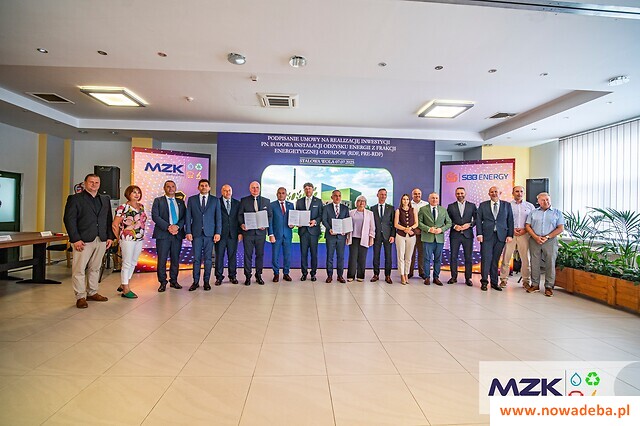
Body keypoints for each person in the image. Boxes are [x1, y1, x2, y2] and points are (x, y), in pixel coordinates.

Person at [63, 173, 114, 308]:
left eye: (97, 182)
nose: (94, 184)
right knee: (79, 269)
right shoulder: (75, 199)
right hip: (83, 240)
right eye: (91, 182)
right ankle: (80, 296)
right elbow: (69, 220)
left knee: (95, 268)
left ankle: (92, 292)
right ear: (85, 183)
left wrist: (110, 236)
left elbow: (108, 219)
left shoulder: (105, 199)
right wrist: (75, 239)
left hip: (101, 238)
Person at [525, 192, 565, 297]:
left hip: (550, 241)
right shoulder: (533, 212)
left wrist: (547, 237)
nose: (545, 202)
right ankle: (535, 285)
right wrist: (536, 237)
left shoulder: (557, 213)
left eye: (547, 199)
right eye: (543, 200)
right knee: (534, 263)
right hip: (535, 240)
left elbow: (560, 228)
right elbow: (528, 226)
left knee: (550, 263)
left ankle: (549, 287)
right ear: (538, 201)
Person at [185, 179, 221, 291]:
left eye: (206, 185)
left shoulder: (215, 200)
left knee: (208, 259)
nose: (204, 187)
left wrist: (218, 232)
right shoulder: (192, 200)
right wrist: (188, 232)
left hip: (209, 234)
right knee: (196, 259)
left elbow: (218, 218)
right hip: (196, 234)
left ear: (209, 188)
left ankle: (206, 282)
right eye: (202, 185)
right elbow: (188, 217)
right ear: (198, 187)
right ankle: (195, 282)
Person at [476, 186, 514, 292]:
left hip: (501, 236)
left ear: (500, 193)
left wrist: (510, 235)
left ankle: (494, 282)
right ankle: (484, 282)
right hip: (486, 236)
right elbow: (478, 220)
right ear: (489, 194)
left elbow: (510, 220)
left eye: (496, 191)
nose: (494, 193)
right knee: (486, 259)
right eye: (492, 192)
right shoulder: (483, 205)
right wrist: (479, 234)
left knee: (495, 260)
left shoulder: (507, 205)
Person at [112, 185, 147, 299]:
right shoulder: (123, 207)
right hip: (127, 238)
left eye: (138, 192)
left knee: (133, 262)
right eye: (134, 192)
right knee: (127, 263)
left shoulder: (141, 207)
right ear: (128, 194)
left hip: (139, 238)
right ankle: (126, 288)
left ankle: (124, 283)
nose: (137, 194)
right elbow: (115, 224)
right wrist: (119, 238)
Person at [151, 180, 186, 292]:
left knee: (175, 259)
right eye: (168, 187)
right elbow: (155, 216)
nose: (171, 188)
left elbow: (184, 217)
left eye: (173, 186)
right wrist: (168, 227)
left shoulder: (180, 202)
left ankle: (174, 281)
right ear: (164, 188)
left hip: (177, 234)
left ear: (175, 188)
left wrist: (177, 227)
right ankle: (162, 282)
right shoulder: (158, 201)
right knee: (162, 259)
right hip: (163, 234)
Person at [499, 186, 535, 288]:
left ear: (524, 193)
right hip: (511, 234)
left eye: (521, 191)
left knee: (526, 259)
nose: (519, 193)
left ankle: (526, 281)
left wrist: (525, 230)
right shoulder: (507, 205)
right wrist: (511, 230)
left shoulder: (530, 206)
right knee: (506, 257)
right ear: (513, 193)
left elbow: (533, 221)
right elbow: (504, 220)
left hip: (524, 234)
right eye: (517, 191)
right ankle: (503, 280)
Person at [238, 181, 272, 285]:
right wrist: (242, 224)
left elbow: (270, 216)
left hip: (260, 234)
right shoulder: (244, 201)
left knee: (260, 255)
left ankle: (258, 275)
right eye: (253, 187)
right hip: (248, 233)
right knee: (248, 255)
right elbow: (240, 215)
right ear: (250, 189)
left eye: (257, 187)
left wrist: (265, 224)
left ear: (260, 189)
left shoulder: (266, 201)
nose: (255, 189)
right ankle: (248, 276)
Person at [417, 192, 452, 286]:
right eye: (432, 198)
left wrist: (441, 229)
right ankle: (427, 277)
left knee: (438, 259)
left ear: (438, 199)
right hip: (427, 238)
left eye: (436, 198)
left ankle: (436, 277)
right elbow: (419, 223)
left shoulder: (443, 210)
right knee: (426, 258)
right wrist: (429, 229)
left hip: (439, 239)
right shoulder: (423, 209)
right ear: (429, 199)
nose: (434, 200)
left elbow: (449, 223)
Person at [446, 187, 477, 286]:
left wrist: (470, 225)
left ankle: (468, 278)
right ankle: (453, 277)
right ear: (455, 195)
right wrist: (454, 226)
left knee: (468, 257)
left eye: (462, 193)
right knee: (453, 256)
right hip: (455, 235)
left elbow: (477, 219)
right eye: (458, 193)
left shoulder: (472, 206)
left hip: (468, 235)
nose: (460, 195)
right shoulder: (451, 206)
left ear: (465, 194)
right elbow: (447, 220)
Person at [296, 182, 322, 282]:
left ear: (313, 189)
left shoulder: (318, 201)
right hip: (303, 232)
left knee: (314, 254)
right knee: (303, 254)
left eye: (309, 188)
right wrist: (297, 222)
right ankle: (304, 273)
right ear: (304, 190)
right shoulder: (299, 201)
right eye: (306, 188)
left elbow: (321, 216)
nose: (308, 190)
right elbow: (297, 215)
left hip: (314, 232)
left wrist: (315, 221)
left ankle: (313, 274)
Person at [215, 184, 241, 285]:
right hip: (220, 235)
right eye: (225, 191)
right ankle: (219, 277)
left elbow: (239, 219)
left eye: (229, 190)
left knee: (232, 256)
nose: (227, 192)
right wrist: (216, 233)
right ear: (222, 192)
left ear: (232, 191)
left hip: (233, 235)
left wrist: (240, 232)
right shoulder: (217, 202)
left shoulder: (237, 203)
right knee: (219, 256)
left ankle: (232, 276)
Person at [322, 189, 350, 283]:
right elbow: (324, 220)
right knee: (329, 257)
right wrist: (329, 229)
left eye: (339, 196)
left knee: (341, 257)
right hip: (330, 236)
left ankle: (340, 276)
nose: (337, 197)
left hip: (341, 237)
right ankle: (329, 276)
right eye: (335, 196)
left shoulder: (345, 208)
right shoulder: (326, 208)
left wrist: (345, 230)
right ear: (332, 197)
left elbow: (347, 221)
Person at [347, 195, 376, 282]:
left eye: (363, 201)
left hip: (364, 238)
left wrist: (371, 238)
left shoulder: (370, 214)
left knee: (362, 258)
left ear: (365, 203)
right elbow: (347, 225)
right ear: (356, 203)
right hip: (353, 238)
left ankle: (360, 276)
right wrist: (347, 237)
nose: (361, 203)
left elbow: (372, 227)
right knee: (352, 257)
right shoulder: (351, 213)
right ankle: (350, 276)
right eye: (359, 201)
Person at [269, 187, 294, 282]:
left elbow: (293, 219)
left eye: (283, 193)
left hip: (287, 234)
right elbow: (270, 221)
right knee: (275, 255)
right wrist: (271, 234)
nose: (281, 195)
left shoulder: (291, 205)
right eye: (279, 193)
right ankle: (276, 273)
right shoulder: (272, 205)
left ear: (286, 194)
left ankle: (286, 273)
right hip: (276, 235)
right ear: (277, 194)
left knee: (287, 255)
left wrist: (293, 225)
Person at [371, 188, 395, 284]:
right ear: (377, 195)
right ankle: (376, 274)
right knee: (376, 256)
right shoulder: (372, 208)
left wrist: (392, 235)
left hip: (387, 236)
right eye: (381, 194)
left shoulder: (391, 208)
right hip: (376, 235)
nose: (383, 196)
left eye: (385, 194)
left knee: (388, 256)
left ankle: (387, 276)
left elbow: (393, 223)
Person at [394, 194, 419, 285]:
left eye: (407, 199)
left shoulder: (413, 210)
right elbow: (396, 224)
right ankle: (402, 274)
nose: (405, 201)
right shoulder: (398, 211)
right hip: (400, 235)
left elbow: (416, 223)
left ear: (409, 201)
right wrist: (405, 229)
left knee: (408, 257)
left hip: (411, 236)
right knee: (401, 256)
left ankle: (406, 273)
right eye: (404, 199)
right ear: (401, 200)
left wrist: (410, 228)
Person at [408, 188, 428, 279]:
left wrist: (421, 229)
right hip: (411, 232)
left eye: (419, 193)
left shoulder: (426, 204)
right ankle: (409, 272)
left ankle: (421, 272)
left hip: (422, 233)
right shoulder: (408, 204)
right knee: (410, 253)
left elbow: (427, 219)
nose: (417, 195)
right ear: (412, 195)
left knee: (422, 253)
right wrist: (412, 229)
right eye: (415, 194)